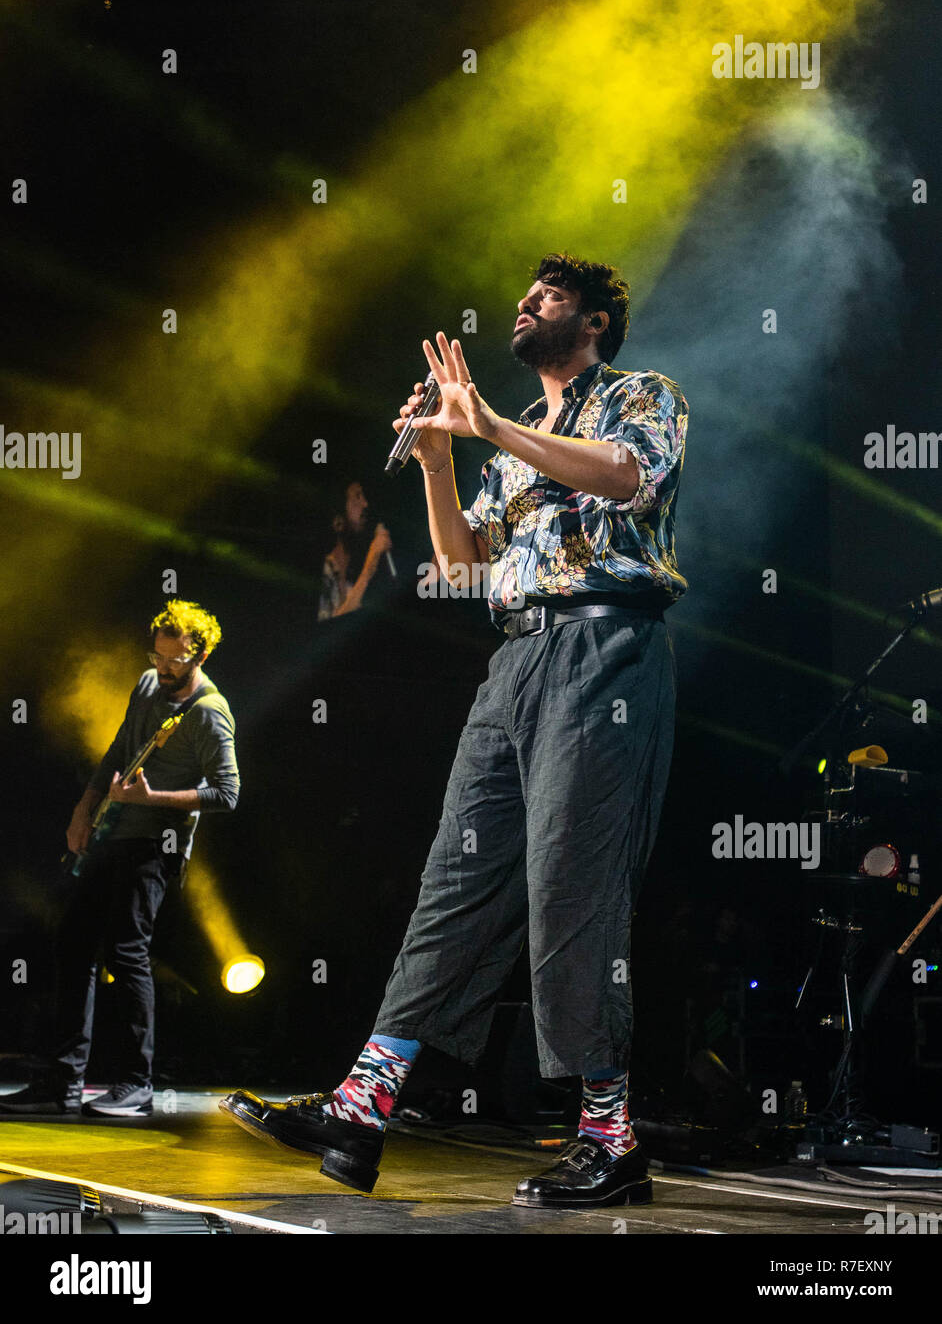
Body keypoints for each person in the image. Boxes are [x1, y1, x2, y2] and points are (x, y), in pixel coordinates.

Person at [221, 252, 688, 1208]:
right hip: (514, 662)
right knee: (454, 884)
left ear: (595, 321)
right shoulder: (513, 439)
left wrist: (488, 426)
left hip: (604, 655)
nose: (525, 305)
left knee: (572, 890)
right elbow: (460, 560)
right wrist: (440, 459)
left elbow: (624, 476)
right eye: (525, 296)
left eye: (549, 297)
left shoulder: (640, 395)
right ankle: (364, 1103)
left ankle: (611, 1135)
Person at [0, 599, 239, 1118]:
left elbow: (227, 793)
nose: (162, 668)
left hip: (156, 845)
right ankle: (62, 1081)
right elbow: (117, 749)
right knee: (72, 944)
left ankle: (136, 1085)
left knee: (127, 953)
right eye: (157, 656)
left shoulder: (209, 713)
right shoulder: (148, 685)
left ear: (199, 653)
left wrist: (152, 801)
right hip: (111, 831)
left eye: (174, 660)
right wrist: (83, 809)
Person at [318, 480, 393, 619]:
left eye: (363, 497)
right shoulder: (325, 569)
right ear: (337, 521)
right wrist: (371, 563)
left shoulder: (350, 573)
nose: (365, 504)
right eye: (357, 497)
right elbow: (328, 628)